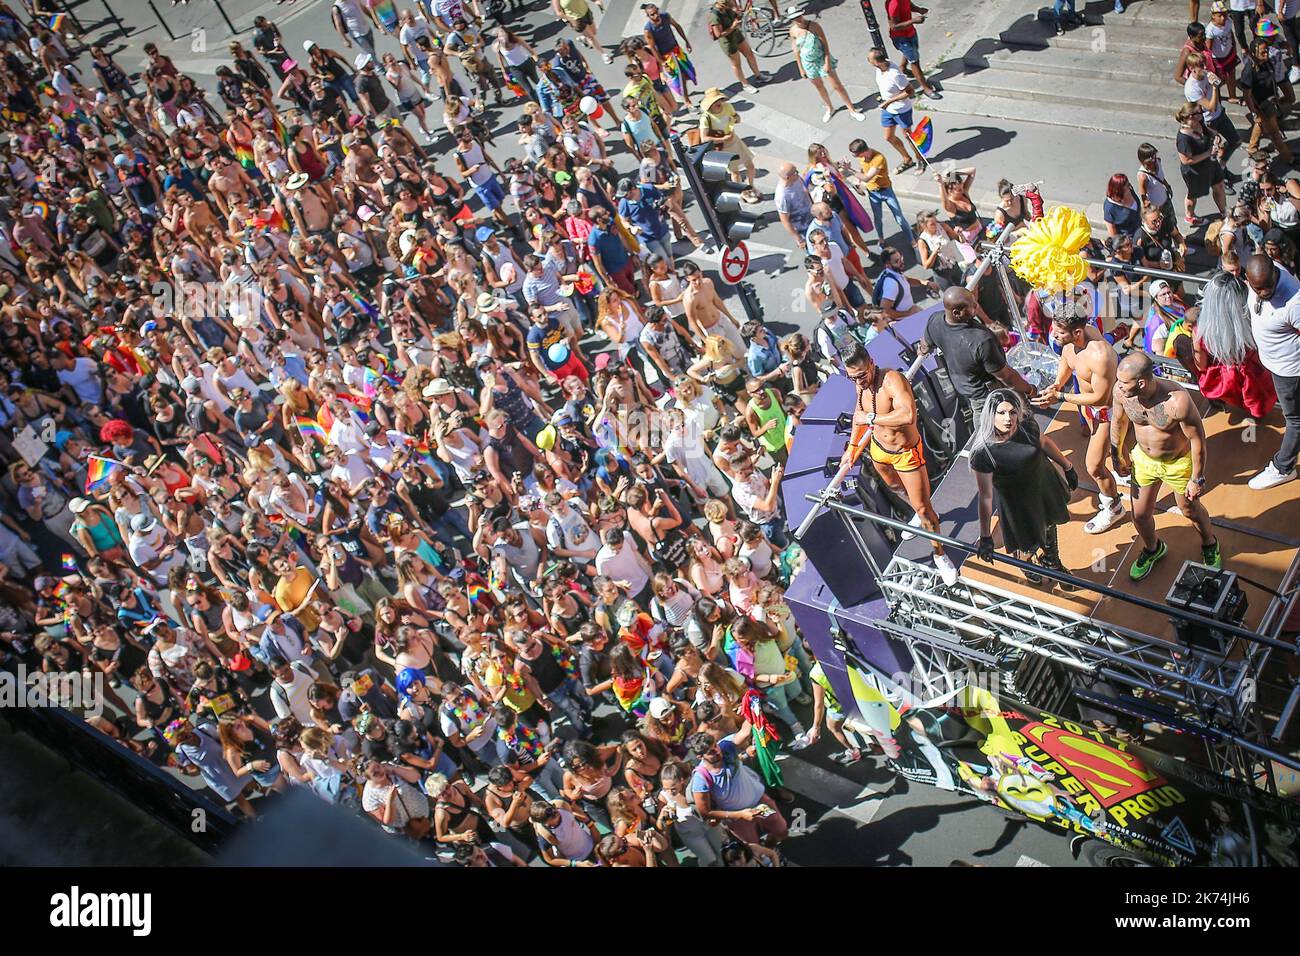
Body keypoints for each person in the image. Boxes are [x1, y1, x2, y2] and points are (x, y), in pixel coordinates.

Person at [839, 341, 958, 586]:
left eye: (861, 375)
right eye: (852, 378)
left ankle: (940, 555)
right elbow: (859, 416)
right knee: (894, 488)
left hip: (905, 453)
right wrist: (852, 447)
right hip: (879, 450)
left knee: (925, 509)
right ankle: (914, 510)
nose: (858, 381)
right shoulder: (859, 384)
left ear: (871, 363)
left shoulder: (892, 380)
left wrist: (872, 418)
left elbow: (907, 415)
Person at [1110, 352, 1220, 581]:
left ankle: (1210, 544)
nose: (1118, 386)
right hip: (1144, 460)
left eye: (1124, 382)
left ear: (1141, 382)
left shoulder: (1177, 401)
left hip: (1177, 463)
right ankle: (1153, 549)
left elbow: (1197, 439)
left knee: (1189, 509)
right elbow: (1118, 421)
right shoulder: (1121, 394)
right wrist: (1116, 454)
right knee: (1139, 516)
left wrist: (1197, 478)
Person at [972, 391, 1078, 587]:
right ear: (990, 414)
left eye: (1012, 412)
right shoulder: (983, 453)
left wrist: (1067, 466)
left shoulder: (1027, 425)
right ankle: (1024, 559)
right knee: (1029, 537)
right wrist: (986, 536)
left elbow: (1044, 442)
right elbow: (985, 497)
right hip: (1018, 502)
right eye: (1001, 413)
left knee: (1049, 523)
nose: (1008, 419)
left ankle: (1052, 562)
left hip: (1043, 484)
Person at [1033, 311, 1125, 534]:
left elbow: (1101, 399)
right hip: (1091, 410)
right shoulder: (1069, 341)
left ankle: (1113, 507)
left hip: (1110, 412)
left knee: (1094, 466)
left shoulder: (1100, 355)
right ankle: (1123, 464)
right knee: (1118, 456)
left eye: (1059, 331)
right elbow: (1067, 360)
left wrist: (1061, 397)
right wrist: (1056, 385)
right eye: (1054, 328)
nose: (1053, 334)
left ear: (1077, 332)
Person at [924, 286, 1036, 436]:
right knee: (1022, 421)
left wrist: (923, 349)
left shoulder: (934, 320)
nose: (976, 308)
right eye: (972, 307)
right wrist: (1029, 390)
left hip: (969, 391)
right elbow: (1006, 377)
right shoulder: (981, 340)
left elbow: (925, 344)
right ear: (957, 313)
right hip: (991, 390)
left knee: (986, 432)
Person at [1245, 253, 1300, 488]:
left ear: (1275, 274)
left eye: (1268, 286)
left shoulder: (1294, 302)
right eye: (1258, 288)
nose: (1265, 292)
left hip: (1291, 369)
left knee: (1295, 420)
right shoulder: (1262, 274)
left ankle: (1283, 467)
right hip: (1273, 362)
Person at [787, 11, 864, 123]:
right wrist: (800, 67)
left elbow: (825, 44)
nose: (798, 19)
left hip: (821, 59)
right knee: (819, 87)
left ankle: (852, 110)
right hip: (808, 63)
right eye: (795, 18)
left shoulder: (814, 26)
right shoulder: (792, 31)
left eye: (799, 16)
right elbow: (796, 50)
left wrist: (827, 62)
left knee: (837, 86)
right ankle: (829, 108)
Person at [697, 88, 760, 203]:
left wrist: (735, 119)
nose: (719, 103)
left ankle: (751, 186)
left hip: (734, 140)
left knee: (750, 165)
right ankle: (743, 193)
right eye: (716, 101)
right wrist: (722, 138)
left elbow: (738, 119)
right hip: (722, 146)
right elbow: (704, 138)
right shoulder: (705, 118)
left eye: (720, 99)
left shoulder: (728, 107)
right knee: (734, 172)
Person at [868, 47, 919, 174]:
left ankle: (920, 159)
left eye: (869, 59)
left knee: (908, 136)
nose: (868, 60)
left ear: (877, 62)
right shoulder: (879, 69)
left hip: (901, 110)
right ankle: (907, 159)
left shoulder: (895, 74)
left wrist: (889, 101)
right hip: (888, 110)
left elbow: (910, 91)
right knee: (888, 137)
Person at [884, 0, 941, 99]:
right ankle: (926, 88)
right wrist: (914, 21)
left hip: (910, 32)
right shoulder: (894, 4)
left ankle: (903, 68)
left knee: (912, 52)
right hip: (901, 38)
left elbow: (908, 4)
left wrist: (918, 9)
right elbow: (894, 26)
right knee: (914, 61)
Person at [706, 0, 765, 95]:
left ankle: (758, 75)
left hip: (737, 35)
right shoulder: (715, 16)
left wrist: (738, 14)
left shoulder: (726, 8)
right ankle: (745, 84)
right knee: (736, 64)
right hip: (728, 42)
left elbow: (736, 16)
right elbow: (718, 34)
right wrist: (733, 26)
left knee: (749, 54)